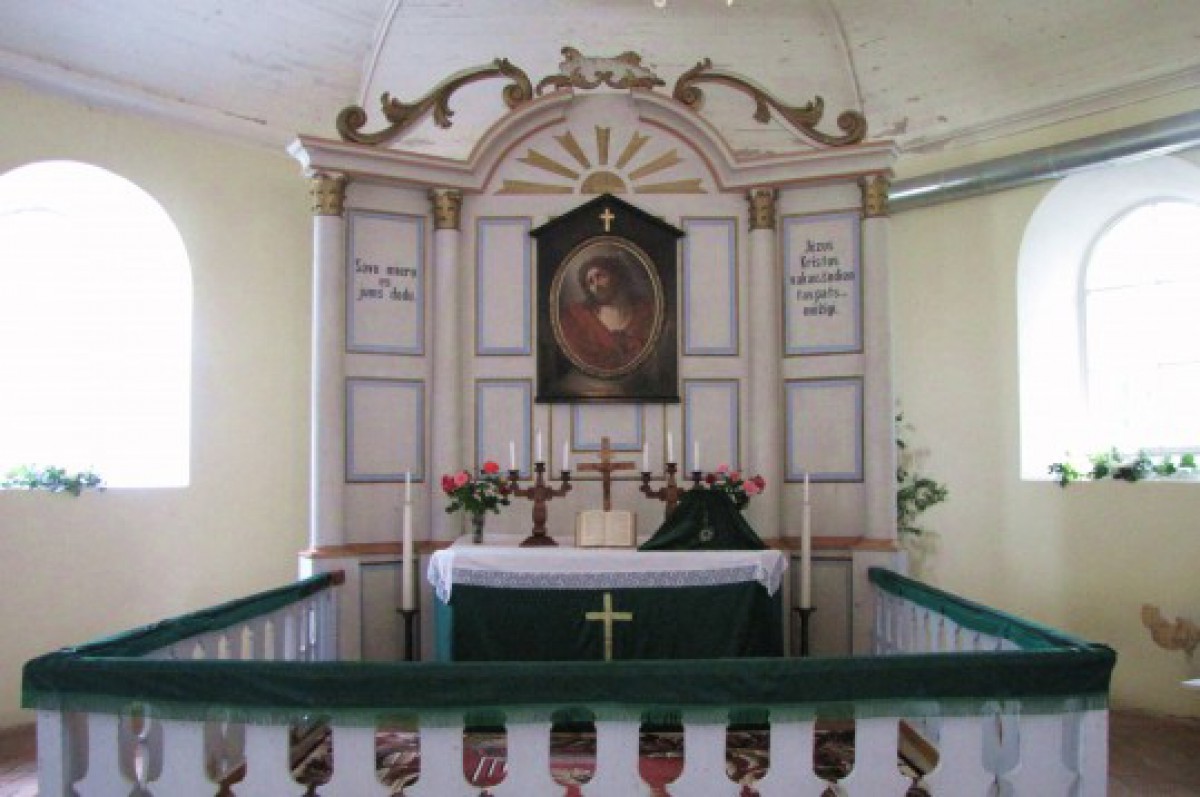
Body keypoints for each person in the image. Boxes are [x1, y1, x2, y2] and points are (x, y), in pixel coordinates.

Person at [557, 254, 658, 375]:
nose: (596, 286)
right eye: (590, 282)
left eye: (600, 276)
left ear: (616, 276)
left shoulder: (647, 310)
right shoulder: (579, 317)